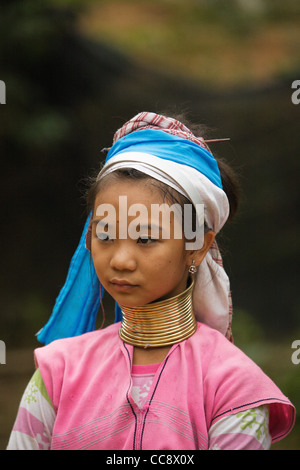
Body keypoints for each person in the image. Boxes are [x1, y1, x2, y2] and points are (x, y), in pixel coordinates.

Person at [7, 112, 295, 450]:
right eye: (105, 235)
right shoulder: (58, 373)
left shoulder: (232, 387)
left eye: (145, 239)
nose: (120, 260)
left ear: (197, 246)